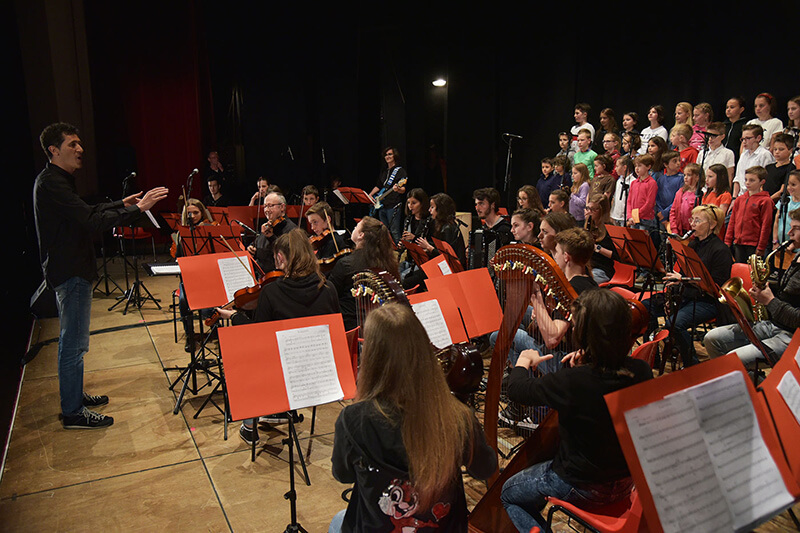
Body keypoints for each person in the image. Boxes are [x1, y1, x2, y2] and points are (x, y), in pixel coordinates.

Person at [33, 122, 169, 429]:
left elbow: (87, 211)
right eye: (72, 145)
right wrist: (139, 208)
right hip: (70, 272)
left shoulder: (57, 180)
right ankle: (73, 412)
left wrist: (122, 202)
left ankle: (75, 397)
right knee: (74, 344)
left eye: (80, 144)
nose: (80, 149)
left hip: (70, 269)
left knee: (74, 343)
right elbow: (91, 221)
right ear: (54, 150)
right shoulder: (52, 183)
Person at [328, 303, 497, 533]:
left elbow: (342, 474)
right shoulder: (457, 417)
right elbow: (485, 469)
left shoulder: (352, 419)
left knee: (339, 521)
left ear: (372, 359)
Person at [500, 289, 652, 533]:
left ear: (584, 335)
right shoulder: (642, 370)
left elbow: (517, 390)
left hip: (581, 486)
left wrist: (524, 362)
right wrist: (589, 359)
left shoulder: (574, 381)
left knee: (509, 494)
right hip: (625, 483)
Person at [214, 229, 340, 444]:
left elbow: (257, 336)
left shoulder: (273, 292)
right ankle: (281, 409)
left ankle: (250, 425)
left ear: (280, 258)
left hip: (283, 371)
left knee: (244, 351)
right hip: (318, 369)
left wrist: (235, 316)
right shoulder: (329, 288)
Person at [705, 207, 800, 365]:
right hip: (774, 324)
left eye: (796, 229)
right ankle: (752, 385)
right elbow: (789, 293)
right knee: (712, 338)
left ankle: (754, 387)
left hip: (792, 335)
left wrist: (770, 301)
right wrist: (766, 286)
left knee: (733, 360)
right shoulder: (797, 255)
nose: (789, 233)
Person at [327, 217, 401, 331]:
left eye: (357, 226)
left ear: (361, 235)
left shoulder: (346, 264)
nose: (354, 228)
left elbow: (331, 295)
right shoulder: (389, 262)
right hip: (381, 325)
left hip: (350, 327)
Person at [725, 166, 774, 263]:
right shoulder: (740, 199)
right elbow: (733, 221)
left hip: (753, 243)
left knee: (752, 271)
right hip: (738, 241)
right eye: (746, 179)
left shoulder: (765, 201)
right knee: (740, 268)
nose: (747, 183)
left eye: (752, 180)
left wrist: (761, 246)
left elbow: (766, 225)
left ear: (762, 182)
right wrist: (727, 240)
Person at [248, 191, 297, 273]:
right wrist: (252, 249)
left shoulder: (292, 230)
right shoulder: (268, 226)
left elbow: (286, 254)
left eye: (270, 206)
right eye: (265, 206)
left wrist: (271, 237)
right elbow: (259, 246)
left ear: (282, 207)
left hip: (279, 278)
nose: (267, 210)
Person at [369, 146, 407, 242]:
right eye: (386, 155)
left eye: (390, 154)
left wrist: (398, 189)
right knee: (384, 232)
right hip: (382, 205)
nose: (387, 156)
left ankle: (399, 253)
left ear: (395, 156)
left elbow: (403, 189)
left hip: (393, 205)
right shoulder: (384, 172)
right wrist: (370, 195)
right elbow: (379, 186)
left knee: (394, 231)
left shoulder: (400, 171)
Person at [732, 124, 775, 198]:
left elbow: (766, 180)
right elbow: (737, 178)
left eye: (748, 138)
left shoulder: (764, 154)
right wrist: (734, 197)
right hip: (741, 196)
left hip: (755, 196)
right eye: (743, 139)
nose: (744, 142)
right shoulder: (743, 155)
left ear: (758, 138)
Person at [585, 194, 619, 284]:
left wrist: (597, 248)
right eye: (588, 208)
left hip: (602, 270)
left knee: (586, 283)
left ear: (602, 211)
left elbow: (617, 255)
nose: (589, 212)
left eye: (593, 209)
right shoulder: (589, 225)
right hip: (588, 267)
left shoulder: (610, 228)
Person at [473, 187, 513, 260]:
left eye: (481, 204)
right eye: (476, 204)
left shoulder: (504, 229)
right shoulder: (482, 229)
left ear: (492, 205)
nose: (477, 208)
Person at [626, 154, 658, 236]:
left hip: (645, 219)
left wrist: (636, 215)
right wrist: (630, 216)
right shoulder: (634, 183)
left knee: (643, 241)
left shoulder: (651, 183)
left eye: (639, 166)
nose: (637, 168)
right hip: (633, 218)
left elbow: (649, 203)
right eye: (635, 166)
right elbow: (629, 201)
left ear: (648, 167)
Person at [669, 163, 704, 238]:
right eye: (684, 175)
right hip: (680, 231)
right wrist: (674, 229)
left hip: (693, 233)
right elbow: (673, 211)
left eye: (689, 175)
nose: (685, 178)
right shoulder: (681, 192)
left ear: (697, 177)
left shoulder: (701, 194)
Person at [656, 151, 684, 232]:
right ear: (666, 164)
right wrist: (660, 212)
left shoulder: (681, 178)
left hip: (673, 214)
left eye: (679, 160)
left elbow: (678, 199)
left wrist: (665, 212)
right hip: (661, 216)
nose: (678, 163)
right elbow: (657, 198)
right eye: (675, 161)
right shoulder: (661, 179)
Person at [765, 133, 796, 201]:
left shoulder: (790, 168)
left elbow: (782, 190)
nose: (777, 152)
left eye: (781, 149)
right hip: (763, 200)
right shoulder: (769, 167)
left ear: (790, 150)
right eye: (775, 149)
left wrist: (768, 201)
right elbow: (761, 186)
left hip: (775, 202)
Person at [774, 170, 800, 244]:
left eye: (793, 184)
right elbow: (776, 221)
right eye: (788, 184)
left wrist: (793, 245)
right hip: (781, 244)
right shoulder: (785, 201)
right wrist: (775, 240)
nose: (789, 187)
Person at [611, 155, 635, 226]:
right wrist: (612, 213)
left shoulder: (633, 182)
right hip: (616, 216)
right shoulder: (619, 180)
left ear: (625, 167)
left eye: (617, 166)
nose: (615, 169)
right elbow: (615, 198)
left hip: (625, 217)